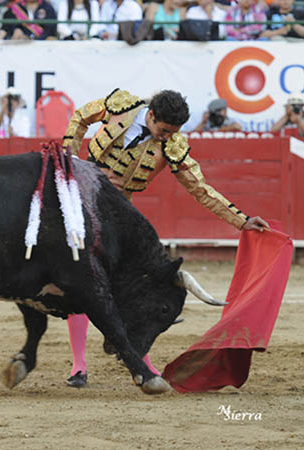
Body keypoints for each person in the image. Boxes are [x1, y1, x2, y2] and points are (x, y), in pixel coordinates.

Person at [61, 88, 269, 387]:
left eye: (173, 132)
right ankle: (78, 367)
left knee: (131, 290)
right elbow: (81, 116)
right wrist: (69, 153)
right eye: (164, 130)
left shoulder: (173, 145)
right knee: (80, 278)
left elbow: (199, 188)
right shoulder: (121, 106)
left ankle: (143, 362)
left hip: (118, 215)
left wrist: (242, 220)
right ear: (150, 115)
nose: (167, 136)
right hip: (80, 200)